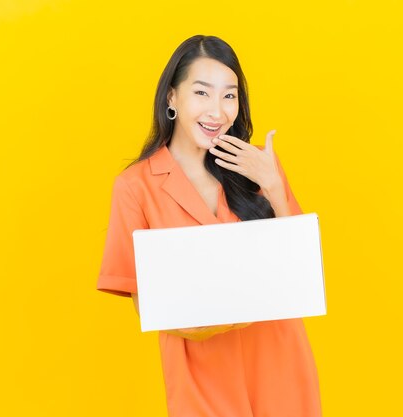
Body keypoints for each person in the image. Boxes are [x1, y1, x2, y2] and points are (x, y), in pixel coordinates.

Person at [97, 34, 322, 417]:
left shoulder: (257, 167)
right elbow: (147, 303)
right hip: (201, 378)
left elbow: (302, 271)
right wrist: (222, 320)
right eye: (202, 93)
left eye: (229, 96)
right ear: (172, 98)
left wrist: (273, 186)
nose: (217, 111)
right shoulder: (135, 186)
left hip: (280, 362)